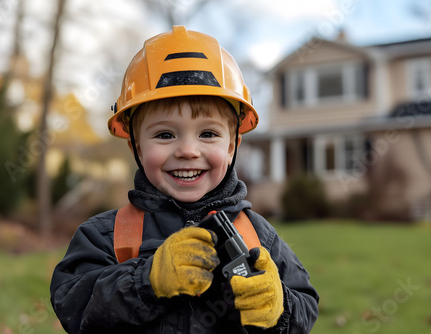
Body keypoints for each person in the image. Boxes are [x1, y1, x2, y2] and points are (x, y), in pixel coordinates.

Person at [50, 26, 319, 334]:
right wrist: (146, 281)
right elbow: (72, 303)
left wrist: (280, 307)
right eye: (165, 135)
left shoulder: (258, 237)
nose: (188, 151)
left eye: (208, 134)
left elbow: (305, 308)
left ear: (232, 146)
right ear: (136, 147)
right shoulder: (106, 237)